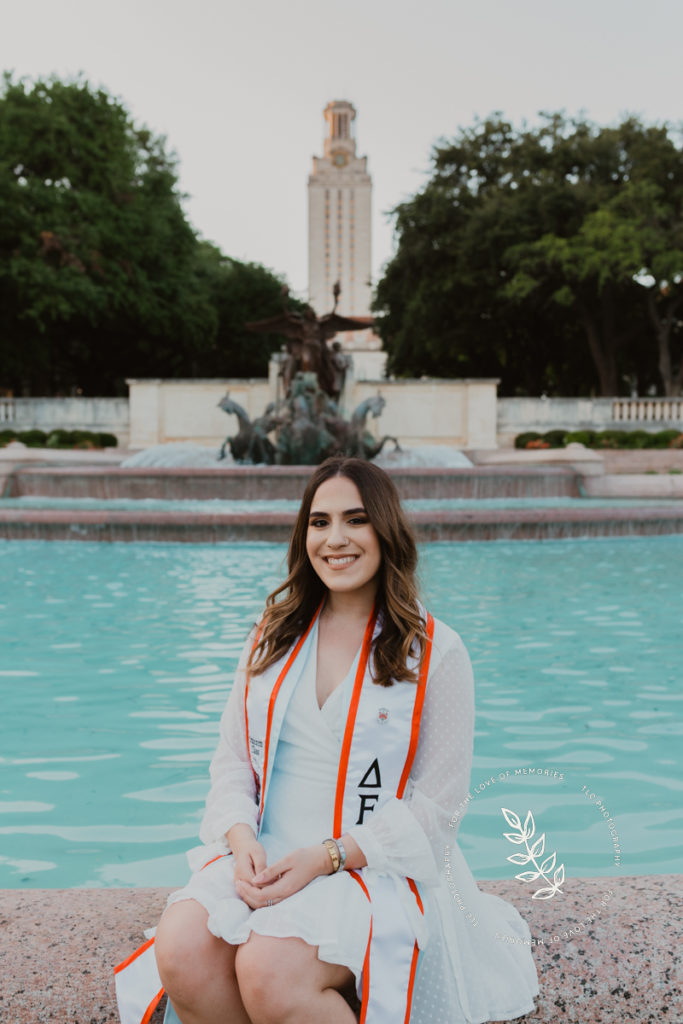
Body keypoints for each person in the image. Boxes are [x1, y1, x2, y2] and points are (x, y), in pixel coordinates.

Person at [117, 456, 539, 1024]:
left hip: (370, 864)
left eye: (355, 520)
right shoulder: (272, 634)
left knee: (271, 970)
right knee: (182, 949)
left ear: (386, 530)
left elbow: (438, 813)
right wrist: (240, 839)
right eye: (319, 522)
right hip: (268, 850)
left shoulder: (435, 653)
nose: (334, 539)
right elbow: (233, 761)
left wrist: (327, 857)